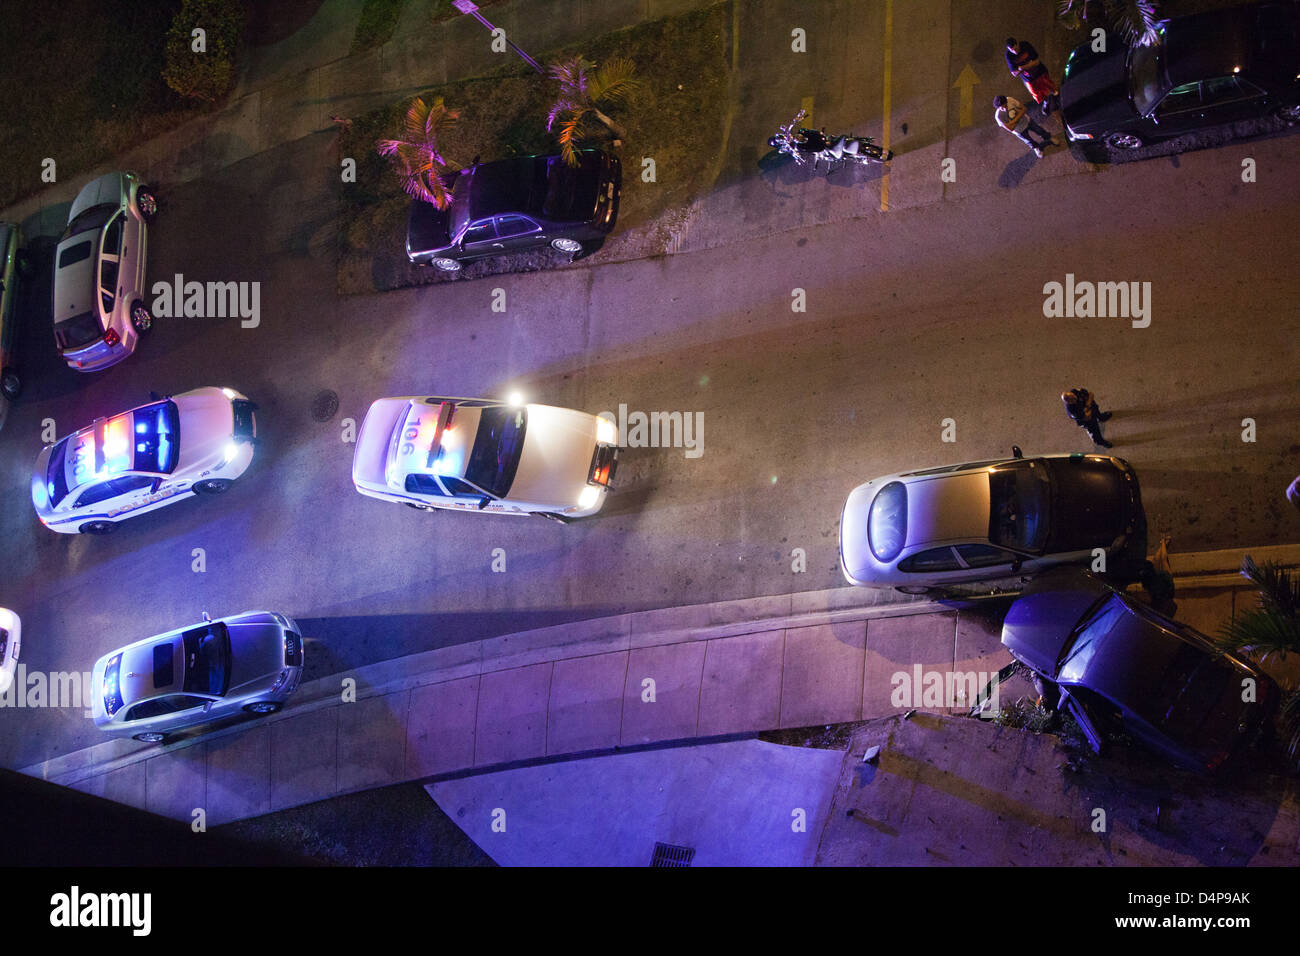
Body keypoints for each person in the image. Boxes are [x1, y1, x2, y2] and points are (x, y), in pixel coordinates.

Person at [1005, 37, 1060, 114]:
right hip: (1028, 78)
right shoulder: (1008, 55)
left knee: (1050, 86)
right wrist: (1030, 64)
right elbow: (1014, 73)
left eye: (1016, 49)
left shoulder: (1025, 45)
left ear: (1018, 44)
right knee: (1037, 93)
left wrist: (1022, 68)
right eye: (1012, 50)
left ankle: (1058, 98)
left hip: (1040, 71)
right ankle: (1046, 102)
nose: (1015, 52)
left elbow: (1037, 62)